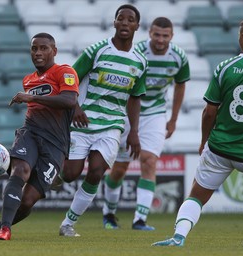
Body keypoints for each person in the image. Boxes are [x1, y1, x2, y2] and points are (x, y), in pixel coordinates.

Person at [152, 16, 243, 247]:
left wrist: (204, 141)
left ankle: (178, 237)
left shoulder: (225, 67)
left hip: (219, 149)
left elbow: (209, 113)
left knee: (196, 196)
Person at [0, 32, 79, 240]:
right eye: (34, 48)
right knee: (21, 170)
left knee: (27, 201)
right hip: (30, 132)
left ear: (54, 51)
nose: (38, 52)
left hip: (56, 144)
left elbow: (69, 101)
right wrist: (31, 96)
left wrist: (30, 96)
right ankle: (5, 230)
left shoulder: (65, 71)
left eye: (43, 48)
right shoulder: (28, 79)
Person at [54, 4, 147, 237]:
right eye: (120, 19)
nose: (125, 23)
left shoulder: (140, 61)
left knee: (96, 171)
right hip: (83, 121)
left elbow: (135, 98)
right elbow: (69, 78)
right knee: (71, 173)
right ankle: (53, 175)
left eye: (130, 20)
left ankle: (67, 224)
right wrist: (74, 107)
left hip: (113, 126)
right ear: (114, 23)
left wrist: (133, 131)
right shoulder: (97, 50)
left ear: (137, 25)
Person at [101, 17, 190, 231]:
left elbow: (180, 86)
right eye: (157, 34)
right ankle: (109, 214)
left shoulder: (179, 57)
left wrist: (174, 119)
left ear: (172, 36)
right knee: (120, 168)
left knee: (149, 162)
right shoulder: (138, 52)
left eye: (165, 36)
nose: (160, 40)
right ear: (149, 33)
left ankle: (139, 220)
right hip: (128, 111)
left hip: (156, 113)